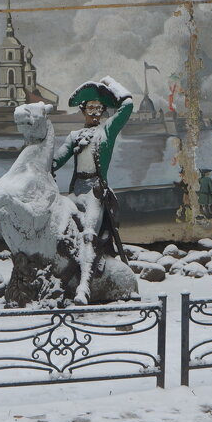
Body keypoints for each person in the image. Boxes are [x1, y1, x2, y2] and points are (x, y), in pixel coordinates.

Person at [52, 77, 134, 274]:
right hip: (77, 189)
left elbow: (128, 105)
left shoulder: (107, 131)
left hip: (96, 190)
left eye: (99, 108)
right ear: (83, 110)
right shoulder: (74, 136)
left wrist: (110, 84)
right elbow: (56, 161)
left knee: (90, 231)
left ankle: (87, 277)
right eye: (91, 108)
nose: (95, 112)